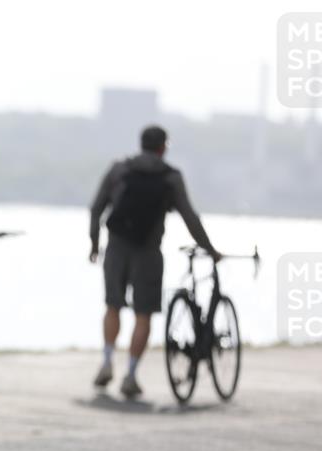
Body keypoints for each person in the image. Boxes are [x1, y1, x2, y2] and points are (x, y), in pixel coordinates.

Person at [89, 125, 222, 398]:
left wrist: (94, 244)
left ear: (141, 144)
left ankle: (106, 362)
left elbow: (96, 208)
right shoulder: (170, 177)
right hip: (148, 252)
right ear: (163, 147)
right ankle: (131, 374)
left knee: (112, 306)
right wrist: (209, 248)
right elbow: (190, 217)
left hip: (115, 247)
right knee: (143, 314)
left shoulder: (119, 170)